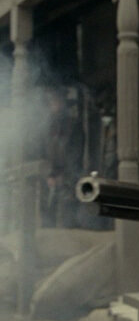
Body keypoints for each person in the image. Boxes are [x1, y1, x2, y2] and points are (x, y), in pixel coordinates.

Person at [42, 85, 84, 228]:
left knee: (67, 212)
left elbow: (76, 155)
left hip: (69, 176)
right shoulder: (47, 126)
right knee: (47, 216)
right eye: (52, 101)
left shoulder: (74, 125)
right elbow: (43, 152)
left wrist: (65, 176)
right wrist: (49, 174)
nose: (54, 104)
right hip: (50, 176)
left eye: (57, 101)